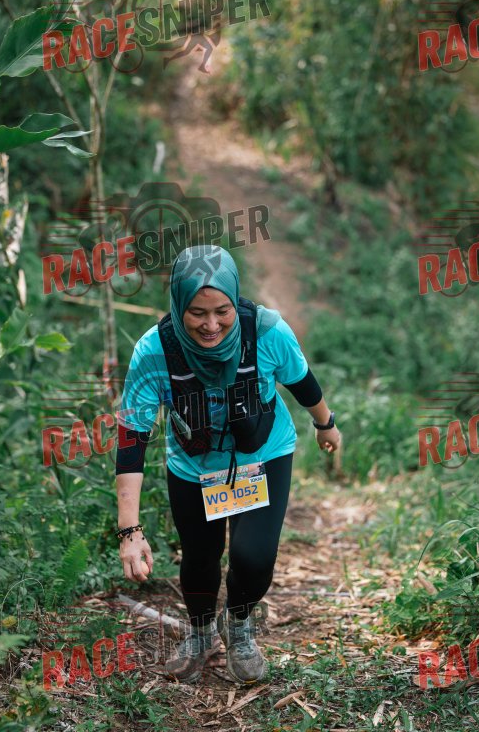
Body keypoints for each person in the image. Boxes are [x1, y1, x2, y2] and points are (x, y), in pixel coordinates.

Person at [115, 245, 341, 685]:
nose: (211, 325)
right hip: (194, 467)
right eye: (197, 313)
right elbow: (131, 439)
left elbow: (301, 381)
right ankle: (200, 632)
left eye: (222, 311)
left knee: (254, 558)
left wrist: (325, 424)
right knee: (199, 558)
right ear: (178, 305)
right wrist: (130, 531)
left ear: (236, 300)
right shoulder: (154, 352)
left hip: (263, 456)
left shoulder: (268, 331)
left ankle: (238, 623)